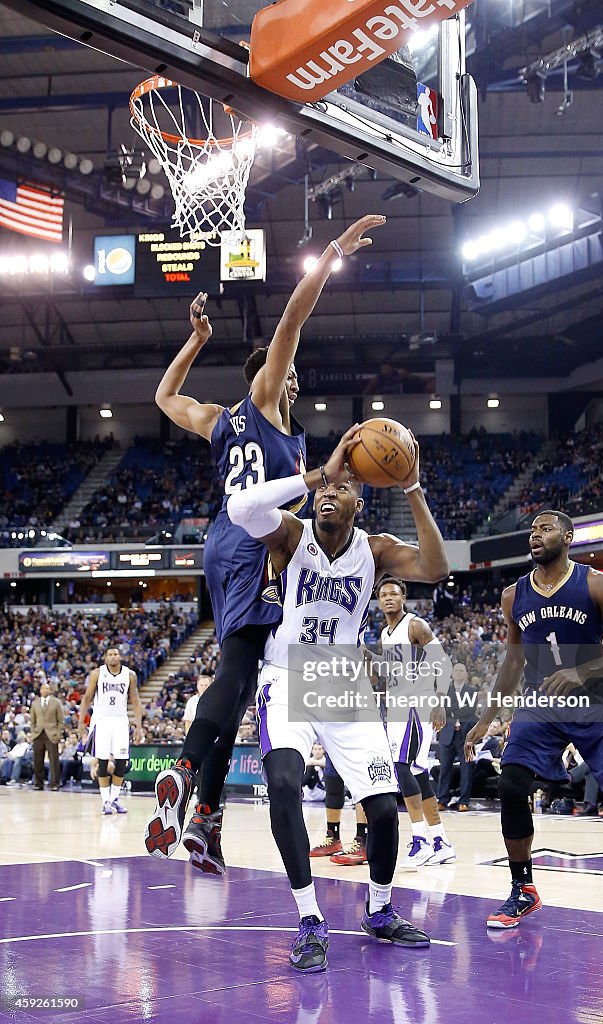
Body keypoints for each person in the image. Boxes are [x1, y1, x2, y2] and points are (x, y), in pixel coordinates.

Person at [148, 424, 449, 971]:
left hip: (343, 682)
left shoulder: (375, 550)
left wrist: (412, 488)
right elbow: (240, 508)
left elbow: (435, 568)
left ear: (362, 499)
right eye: (327, 489)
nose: (332, 494)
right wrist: (316, 474)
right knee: (284, 786)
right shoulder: (291, 534)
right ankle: (310, 918)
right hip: (286, 677)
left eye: (344, 487)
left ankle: (379, 911)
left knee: (383, 811)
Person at [148, 215, 385, 876]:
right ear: (272, 379)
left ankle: (205, 817)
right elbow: (289, 322)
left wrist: (195, 339)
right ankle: (188, 773)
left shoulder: (219, 423)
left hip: (222, 544)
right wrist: (331, 255)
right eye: (289, 375)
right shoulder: (267, 403)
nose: (296, 379)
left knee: (246, 673)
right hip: (254, 542)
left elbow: (164, 396)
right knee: (237, 671)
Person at [466, 509, 603, 934]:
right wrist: (486, 718)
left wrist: (582, 672)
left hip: (595, 702)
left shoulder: (596, 583)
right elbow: (512, 661)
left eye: (545, 529)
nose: (535, 535)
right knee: (510, 784)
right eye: (532, 530)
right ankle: (523, 889)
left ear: (568, 536)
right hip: (539, 703)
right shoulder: (513, 596)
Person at [374, 577, 455, 868]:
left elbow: (442, 662)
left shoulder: (415, 625)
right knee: (418, 772)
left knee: (402, 767)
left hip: (417, 706)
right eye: (383, 595)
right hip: (397, 709)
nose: (388, 598)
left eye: (394, 593)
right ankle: (440, 841)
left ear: (403, 596)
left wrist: (440, 701)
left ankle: (420, 839)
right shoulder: (384, 634)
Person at [78, 647, 143, 815]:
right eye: (110, 654)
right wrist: (80, 723)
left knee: (122, 761)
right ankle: (105, 800)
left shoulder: (129, 675)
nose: (114, 657)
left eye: (116, 654)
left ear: (120, 657)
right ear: (105, 658)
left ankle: (114, 798)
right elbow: (86, 698)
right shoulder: (97, 674)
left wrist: (139, 726)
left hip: (121, 720)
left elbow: (135, 700)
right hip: (102, 720)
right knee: (103, 760)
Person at [436, 663, 479, 811]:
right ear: (452, 673)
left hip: (466, 735)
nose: (459, 673)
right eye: (456, 670)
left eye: (462, 670)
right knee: (445, 768)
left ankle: (464, 801)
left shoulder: (472, 691)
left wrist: (452, 712)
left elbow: (470, 709)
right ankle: (441, 800)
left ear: (466, 674)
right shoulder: (444, 690)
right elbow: (443, 708)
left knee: (466, 769)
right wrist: (457, 710)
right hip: (447, 733)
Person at [29, 682, 63, 791]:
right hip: (38, 734)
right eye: (43, 688)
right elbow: (32, 720)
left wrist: (58, 734)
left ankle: (54, 783)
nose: (44, 690)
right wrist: (33, 731)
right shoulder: (35, 703)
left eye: (46, 688)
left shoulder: (56, 702)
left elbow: (60, 720)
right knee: (37, 760)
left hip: (51, 734)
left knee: (54, 760)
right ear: (40, 690)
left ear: (50, 690)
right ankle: (38, 783)